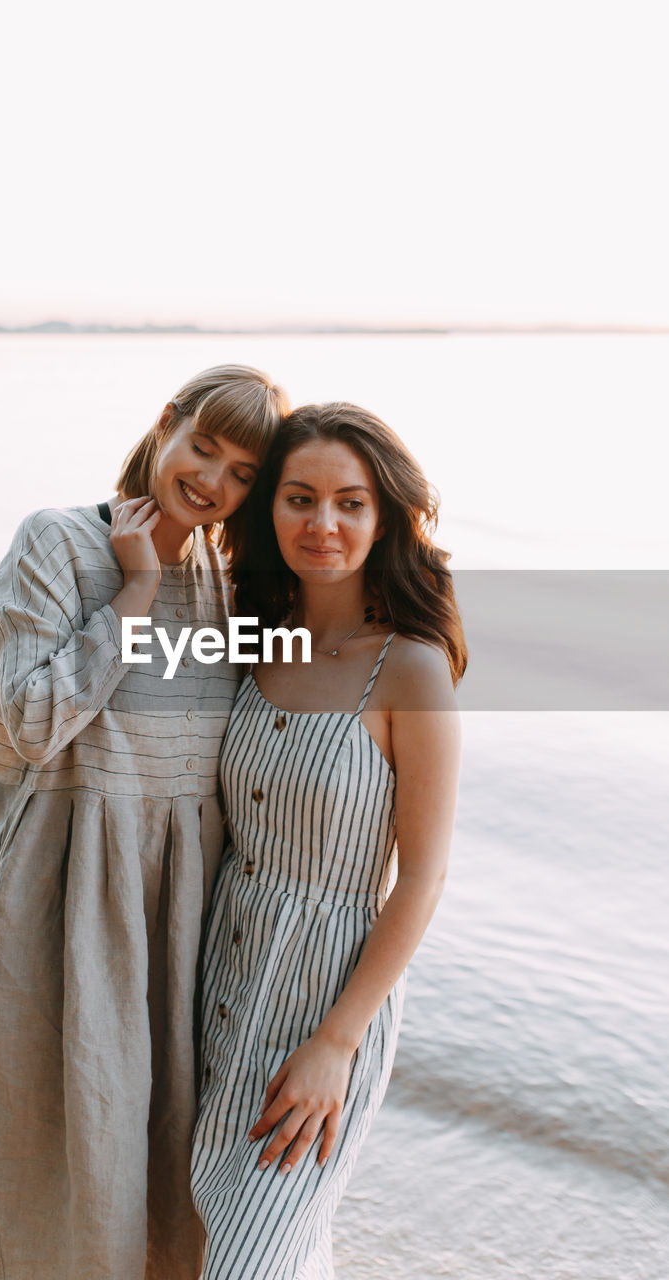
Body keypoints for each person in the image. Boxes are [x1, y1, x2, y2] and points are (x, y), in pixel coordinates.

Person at [0, 365, 289, 1280]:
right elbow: (28, 723)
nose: (212, 480)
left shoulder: (234, 584)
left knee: (166, 1153)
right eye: (204, 448)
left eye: (243, 474)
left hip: (184, 909)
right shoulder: (57, 544)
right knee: (58, 1146)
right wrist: (134, 597)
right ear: (167, 424)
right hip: (58, 883)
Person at [191, 402, 466, 1278]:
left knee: (253, 1257)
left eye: (350, 502)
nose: (324, 524)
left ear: (384, 517)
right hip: (219, 981)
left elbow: (421, 877)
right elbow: (119, 672)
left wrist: (336, 1045)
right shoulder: (248, 632)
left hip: (326, 1004)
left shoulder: (412, 667)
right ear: (268, 509)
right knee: (220, 1236)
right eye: (300, 498)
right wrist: (129, 564)